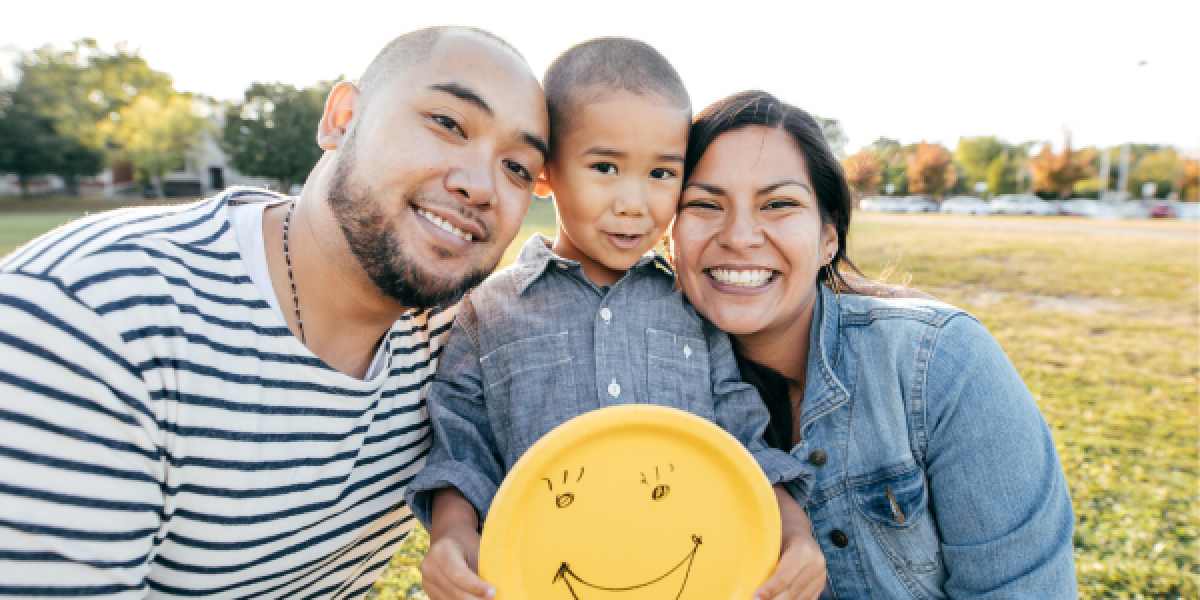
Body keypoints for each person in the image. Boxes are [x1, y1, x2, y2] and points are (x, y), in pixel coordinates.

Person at [0, 27, 550, 598]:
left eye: (517, 167)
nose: (481, 186)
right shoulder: (92, 317)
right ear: (342, 118)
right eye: (448, 123)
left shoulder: (459, 336)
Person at [406, 39, 826, 600]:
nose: (635, 202)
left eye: (661, 173)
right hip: (549, 579)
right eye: (605, 167)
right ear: (546, 172)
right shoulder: (489, 310)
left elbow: (742, 439)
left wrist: (794, 532)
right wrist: (453, 534)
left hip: (692, 574)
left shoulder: (690, 305)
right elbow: (463, 446)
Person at [669, 91, 1078, 597]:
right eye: (705, 204)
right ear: (668, 233)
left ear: (829, 237)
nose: (740, 235)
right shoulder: (647, 386)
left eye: (778, 204)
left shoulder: (943, 363)